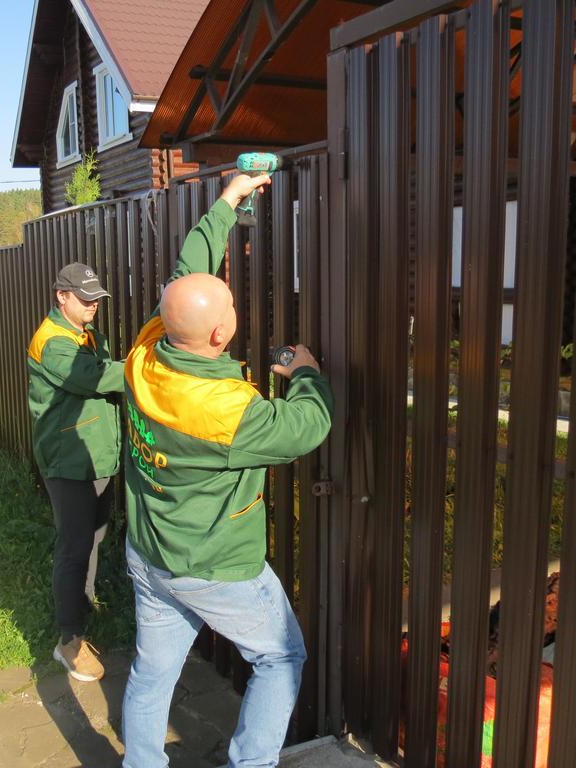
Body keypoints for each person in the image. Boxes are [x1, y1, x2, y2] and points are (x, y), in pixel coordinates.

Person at [120, 172, 334, 767]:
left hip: (150, 552)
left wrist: (225, 204)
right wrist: (307, 373)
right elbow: (305, 428)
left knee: (152, 673)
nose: (235, 307)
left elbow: (186, 273)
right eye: (232, 306)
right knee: (281, 656)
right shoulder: (224, 411)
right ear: (221, 331)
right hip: (212, 566)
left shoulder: (147, 349)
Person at [27, 262, 124, 683]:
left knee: (93, 537)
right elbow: (94, 377)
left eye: (96, 299)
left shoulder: (88, 334)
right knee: (74, 546)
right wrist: (148, 368)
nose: (92, 305)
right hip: (68, 460)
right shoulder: (52, 342)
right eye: (84, 299)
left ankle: (83, 609)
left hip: (95, 456)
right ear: (61, 296)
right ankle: (69, 640)